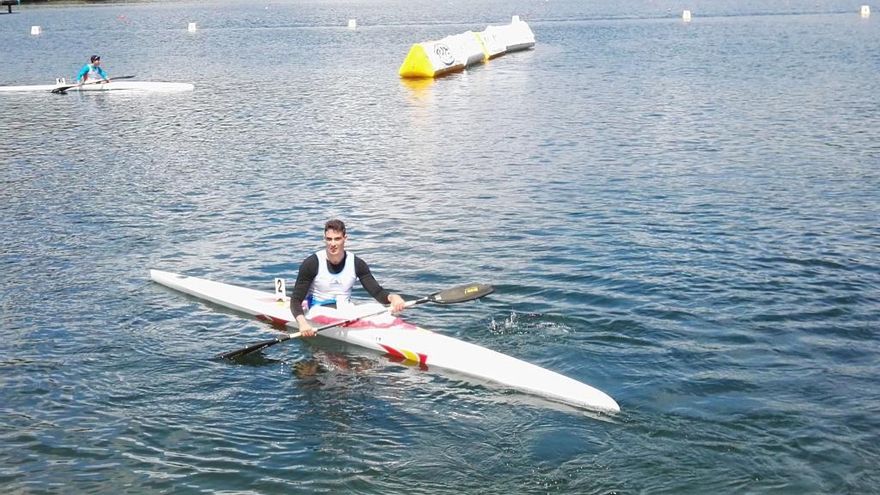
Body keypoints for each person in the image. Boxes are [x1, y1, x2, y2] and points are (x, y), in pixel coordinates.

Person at [290, 219, 405, 337]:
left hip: (345, 310)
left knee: (376, 307)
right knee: (362, 317)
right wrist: (303, 324)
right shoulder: (312, 263)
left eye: (337, 239)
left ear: (345, 238)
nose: (332, 244)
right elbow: (295, 300)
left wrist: (393, 298)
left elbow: (377, 292)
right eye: (329, 239)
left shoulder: (357, 263)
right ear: (324, 239)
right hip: (318, 311)